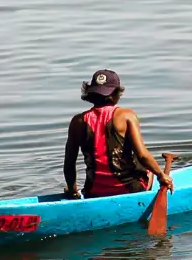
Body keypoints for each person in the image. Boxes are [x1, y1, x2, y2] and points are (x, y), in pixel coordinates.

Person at [63, 70, 173, 199]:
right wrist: (161, 175)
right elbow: (143, 155)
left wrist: (72, 189)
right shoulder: (127, 116)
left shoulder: (77, 121)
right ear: (116, 94)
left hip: (93, 191)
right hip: (130, 189)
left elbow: (69, 162)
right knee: (149, 171)